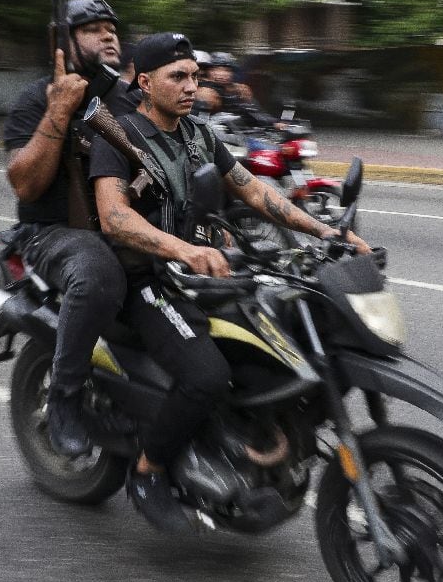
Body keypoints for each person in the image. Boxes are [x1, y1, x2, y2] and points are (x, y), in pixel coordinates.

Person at [89, 32, 370, 531]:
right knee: (206, 375)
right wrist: (185, 249)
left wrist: (328, 230)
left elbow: (256, 193)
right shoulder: (119, 136)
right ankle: (148, 471)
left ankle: (252, 440)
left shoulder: (199, 134)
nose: (191, 86)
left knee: (285, 338)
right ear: (145, 81)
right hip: (144, 279)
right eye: (178, 76)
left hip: (200, 272)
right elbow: (114, 217)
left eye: (195, 76)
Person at [2, 0, 135, 457]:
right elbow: (25, 185)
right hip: (53, 232)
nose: (108, 34)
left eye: (111, 27)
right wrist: (59, 111)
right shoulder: (35, 99)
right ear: (62, 41)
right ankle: (64, 400)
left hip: (125, 224)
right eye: (92, 28)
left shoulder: (127, 98)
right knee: (97, 274)